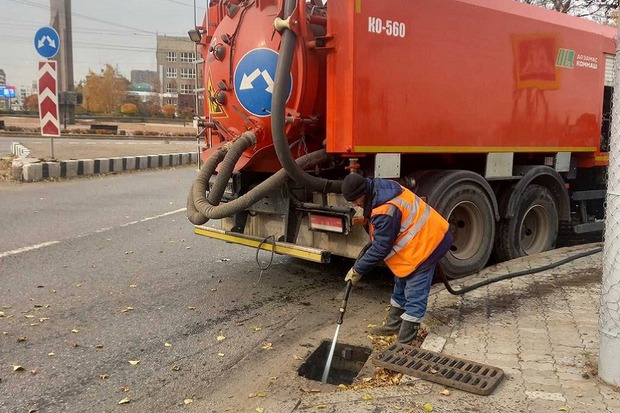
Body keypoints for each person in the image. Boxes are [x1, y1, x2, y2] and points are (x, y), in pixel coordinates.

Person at [341, 173, 453, 345]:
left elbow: (381, 248)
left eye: (355, 200)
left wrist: (358, 270)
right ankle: (394, 326)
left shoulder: (385, 209)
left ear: (364, 192)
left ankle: (404, 343)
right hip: (417, 243)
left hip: (429, 244)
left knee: (414, 294)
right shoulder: (379, 189)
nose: (355, 204)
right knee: (401, 282)